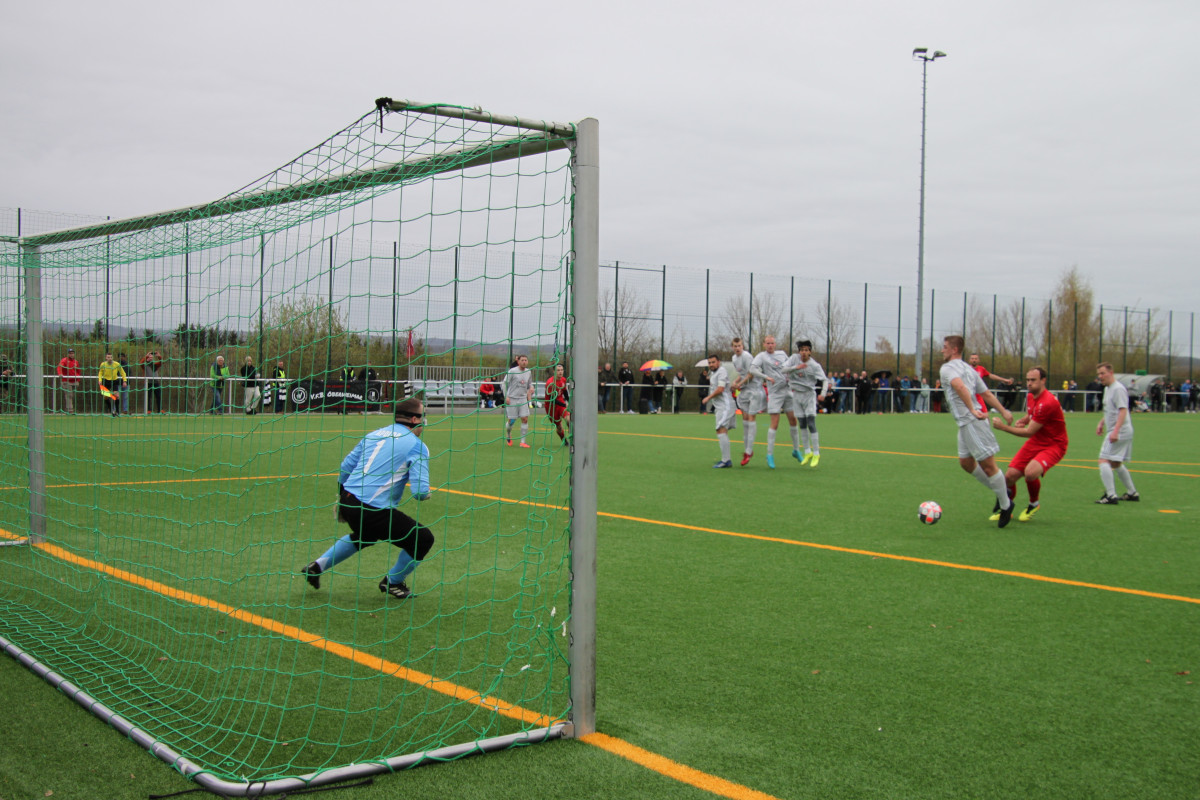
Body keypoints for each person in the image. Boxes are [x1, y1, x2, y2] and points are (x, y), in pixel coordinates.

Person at [302, 397, 433, 599]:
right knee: (422, 539)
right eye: (423, 416)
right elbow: (419, 492)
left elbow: (346, 467)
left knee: (366, 535)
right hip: (372, 509)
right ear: (415, 419)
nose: (425, 422)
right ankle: (393, 582)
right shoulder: (417, 446)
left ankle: (316, 566)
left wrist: (340, 500)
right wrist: (427, 494)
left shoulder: (373, 435)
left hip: (348, 498)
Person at [939, 336, 1015, 527]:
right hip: (966, 423)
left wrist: (973, 410)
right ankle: (1002, 492)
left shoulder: (947, 369)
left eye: (945, 347)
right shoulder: (969, 369)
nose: (942, 350)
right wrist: (1004, 411)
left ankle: (1006, 505)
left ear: (955, 349)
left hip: (972, 421)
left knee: (989, 466)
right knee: (966, 463)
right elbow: (986, 393)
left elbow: (959, 386)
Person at [989, 367, 1069, 522]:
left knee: (1030, 473)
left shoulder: (1048, 402)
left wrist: (1003, 427)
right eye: (1028, 380)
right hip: (1038, 440)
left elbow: (1028, 433)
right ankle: (1006, 508)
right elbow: (1032, 414)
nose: (1029, 383)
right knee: (1009, 476)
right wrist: (1025, 419)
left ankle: (1034, 503)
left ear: (1043, 380)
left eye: (1033, 380)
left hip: (1054, 444)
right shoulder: (1032, 397)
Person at [1094, 362, 1139, 504]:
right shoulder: (1108, 389)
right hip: (1119, 430)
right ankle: (1132, 493)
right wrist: (1102, 423)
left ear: (1111, 372)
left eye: (1103, 373)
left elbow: (1123, 410)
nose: (1100, 377)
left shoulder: (1118, 389)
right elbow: (1110, 410)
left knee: (1103, 460)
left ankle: (1111, 495)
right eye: (1098, 374)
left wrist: (1115, 431)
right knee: (1116, 462)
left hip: (1120, 431)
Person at [752, 336, 799, 469]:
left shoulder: (782, 354)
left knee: (793, 420)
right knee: (775, 423)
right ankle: (770, 454)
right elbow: (752, 369)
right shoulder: (761, 356)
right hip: (775, 394)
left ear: (775, 343)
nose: (770, 345)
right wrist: (765, 377)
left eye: (772, 343)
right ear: (764, 344)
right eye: (768, 343)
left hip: (787, 391)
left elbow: (789, 367)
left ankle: (796, 450)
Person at [782, 340, 831, 467]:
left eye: (806, 350)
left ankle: (816, 453)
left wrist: (823, 394)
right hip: (796, 395)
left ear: (810, 352)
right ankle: (807, 452)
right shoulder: (794, 359)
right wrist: (795, 368)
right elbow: (782, 369)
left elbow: (825, 380)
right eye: (802, 350)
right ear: (799, 351)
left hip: (809, 395)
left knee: (811, 423)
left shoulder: (814, 365)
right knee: (802, 424)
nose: (804, 352)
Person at [730, 337, 765, 466]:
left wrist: (739, 384)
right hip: (745, 390)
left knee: (751, 418)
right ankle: (747, 449)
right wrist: (735, 382)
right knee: (745, 419)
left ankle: (748, 452)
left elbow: (751, 374)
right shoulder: (734, 359)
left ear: (742, 345)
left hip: (754, 389)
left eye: (739, 345)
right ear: (732, 347)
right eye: (735, 346)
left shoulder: (747, 357)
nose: (737, 348)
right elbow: (742, 374)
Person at [701, 354, 736, 468]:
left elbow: (720, 389)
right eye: (709, 363)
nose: (711, 364)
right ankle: (726, 459)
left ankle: (726, 461)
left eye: (713, 362)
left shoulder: (721, 371)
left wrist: (708, 397)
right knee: (722, 431)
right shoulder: (714, 373)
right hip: (721, 407)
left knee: (720, 430)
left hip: (726, 406)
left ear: (718, 362)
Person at [503, 355, 534, 447]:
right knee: (511, 421)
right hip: (512, 399)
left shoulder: (528, 372)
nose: (524, 362)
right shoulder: (512, 371)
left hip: (523, 399)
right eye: (522, 360)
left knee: (525, 419)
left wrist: (531, 388)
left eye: (526, 360)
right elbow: (504, 384)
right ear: (518, 362)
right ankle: (508, 434)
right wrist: (506, 396)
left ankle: (523, 442)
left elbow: (530, 384)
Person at [545, 364, 570, 443]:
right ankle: (564, 440)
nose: (560, 372)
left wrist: (568, 401)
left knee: (569, 420)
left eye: (561, 370)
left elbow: (565, 391)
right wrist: (564, 404)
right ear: (554, 371)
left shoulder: (563, 380)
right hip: (551, 406)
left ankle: (572, 433)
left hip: (561, 403)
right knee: (559, 427)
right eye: (558, 370)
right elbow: (552, 399)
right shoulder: (550, 383)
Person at [97, 352, 128, 418]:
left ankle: (117, 411)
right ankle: (111, 410)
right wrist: (100, 380)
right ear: (106, 358)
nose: (110, 358)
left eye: (111, 357)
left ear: (112, 357)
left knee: (116, 395)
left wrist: (124, 381)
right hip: (106, 381)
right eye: (108, 357)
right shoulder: (103, 364)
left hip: (114, 381)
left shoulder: (116, 364)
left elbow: (123, 372)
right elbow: (100, 372)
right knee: (106, 397)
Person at [57, 348, 82, 414]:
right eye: (70, 353)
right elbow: (59, 367)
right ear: (68, 354)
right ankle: (70, 410)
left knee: (71, 396)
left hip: (74, 381)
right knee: (69, 395)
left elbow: (78, 371)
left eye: (72, 353)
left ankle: (68, 409)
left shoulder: (75, 361)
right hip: (66, 381)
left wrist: (78, 379)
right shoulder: (64, 360)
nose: (71, 354)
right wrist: (60, 373)